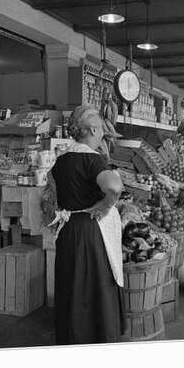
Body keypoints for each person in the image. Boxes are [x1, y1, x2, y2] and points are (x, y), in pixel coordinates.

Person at [48, 105, 124, 344]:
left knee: (72, 287)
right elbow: (114, 186)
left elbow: (51, 193)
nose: (102, 134)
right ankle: (97, 340)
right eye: (101, 129)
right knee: (95, 287)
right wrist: (105, 205)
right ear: (91, 129)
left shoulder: (60, 161)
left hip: (68, 230)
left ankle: (72, 338)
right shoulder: (93, 160)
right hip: (91, 231)